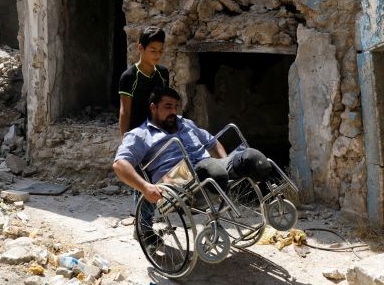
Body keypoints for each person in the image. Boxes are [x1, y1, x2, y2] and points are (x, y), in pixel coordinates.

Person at [113, 86, 272, 206]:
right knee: (211, 169)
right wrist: (145, 187)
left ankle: (272, 196)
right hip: (178, 180)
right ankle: (217, 174)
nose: (173, 111)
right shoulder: (140, 134)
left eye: (176, 107)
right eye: (168, 107)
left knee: (250, 156)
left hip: (209, 169)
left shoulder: (185, 123)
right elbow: (120, 164)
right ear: (153, 107)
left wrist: (226, 162)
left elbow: (212, 142)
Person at [118, 26, 170, 136]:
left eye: (160, 51)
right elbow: (125, 112)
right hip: (137, 135)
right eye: (153, 51)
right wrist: (125, 141)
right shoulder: (129, 77)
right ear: (140, 48)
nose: (157, 55)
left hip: (158, 133)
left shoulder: (163, 73)